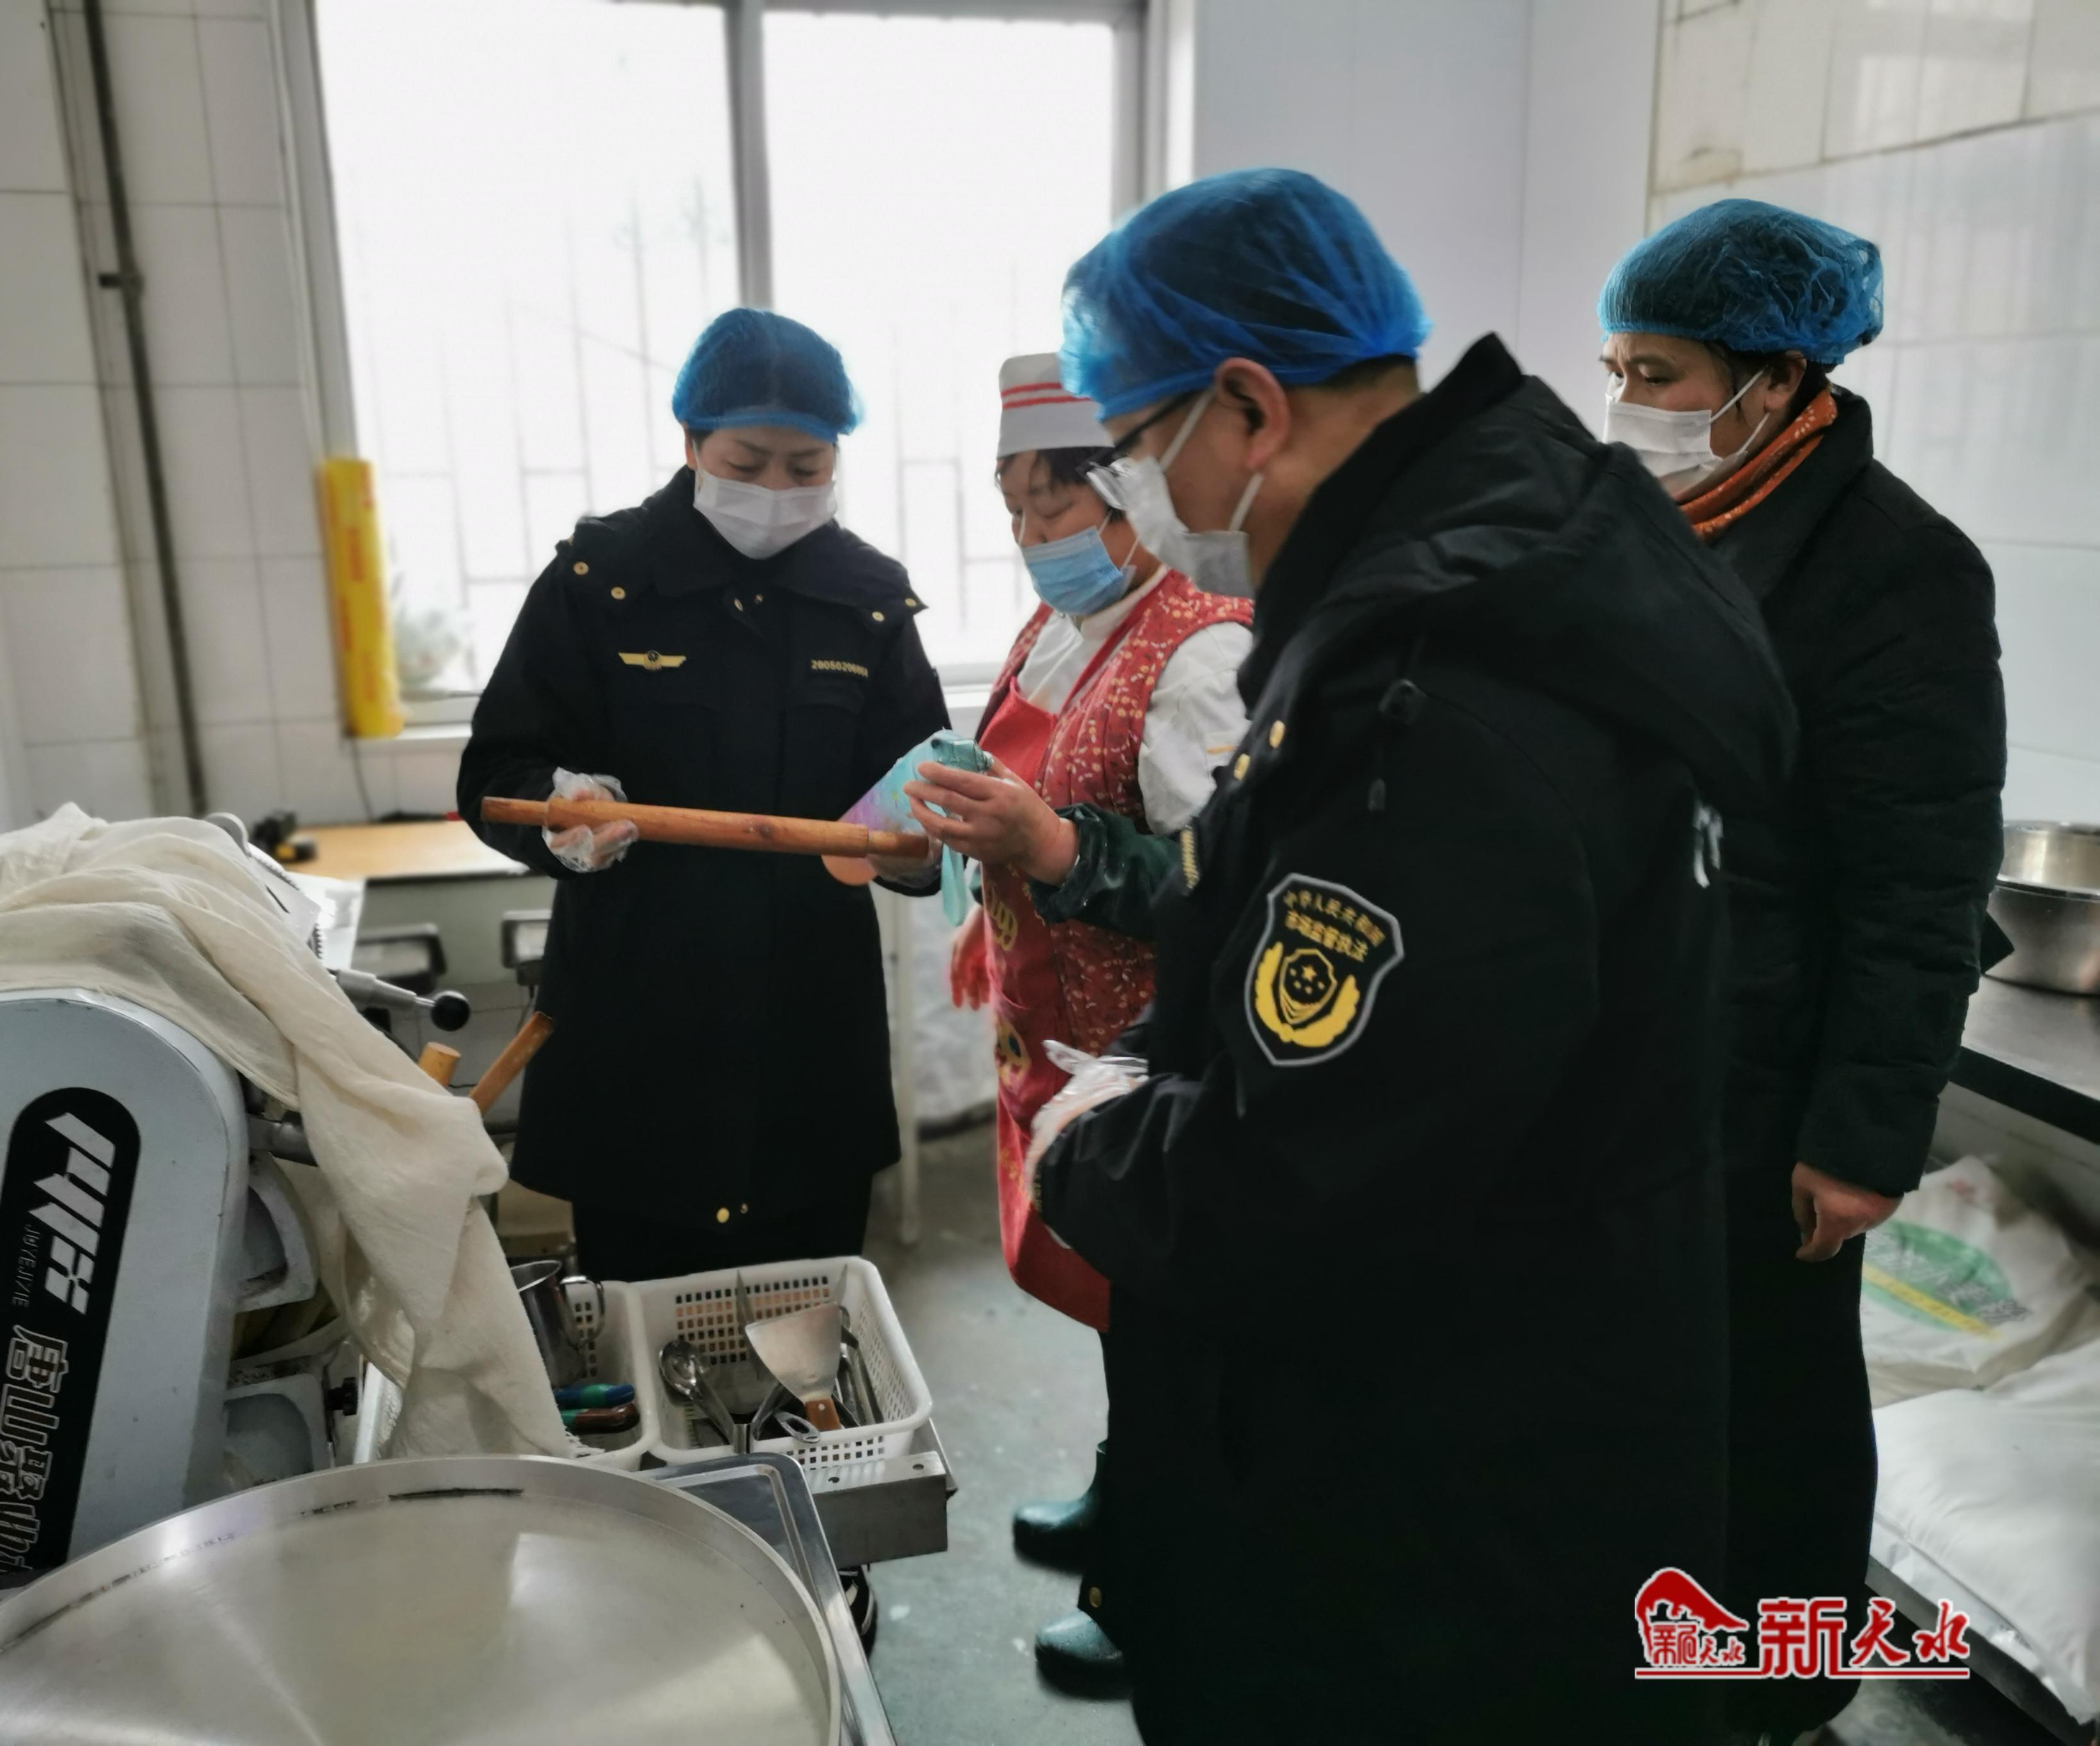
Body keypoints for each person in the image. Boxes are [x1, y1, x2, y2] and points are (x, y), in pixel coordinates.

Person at [910, 167, 1796, 1743]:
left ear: (1250, 408)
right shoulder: (1517, 575)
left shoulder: (1436, 692)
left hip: (1426, 1515)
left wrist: (1092, 1138)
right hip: (1519, 1389)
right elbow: (1318, 953)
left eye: (1131, 447)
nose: (1128, 496)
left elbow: (1304, 1176)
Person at [1601, 198, 2006, 1743]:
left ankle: (1779, 1691)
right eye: (1618, 370)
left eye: (1659, 375)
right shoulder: (1661, 525)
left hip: (1771, 1077)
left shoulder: (1896, 569)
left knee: (1773, 1404)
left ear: (1774, 382)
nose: (1628, 406)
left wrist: (1859, 1140)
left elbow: (1920, 882)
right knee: (1644, 1395)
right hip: (1636, 1047)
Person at [458, 308, 949, 1285]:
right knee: (639, 1322)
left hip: (810, 1030)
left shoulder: (867, 599)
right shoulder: (601, 583)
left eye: (807, 467)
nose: (776, 490)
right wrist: (560, 812)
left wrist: (919, 837)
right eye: (747, 462)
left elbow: (919, 784)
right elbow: (496, 772)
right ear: (691, 443)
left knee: (814, 1316)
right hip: (641, 1022)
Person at [946, 354, 1251, 1696]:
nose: (1031, 534)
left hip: (1153, 1055)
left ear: (1131, 495)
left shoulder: (1204, 655)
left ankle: (1163, 1603)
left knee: (1175, 1332)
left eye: (1054, 504)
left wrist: (1054, 849)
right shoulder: (1064, 626)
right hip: (1057, 1032)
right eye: (1012, 504)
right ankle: (1126, 1493)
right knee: (1123, 1309)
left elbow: (1227, 898)